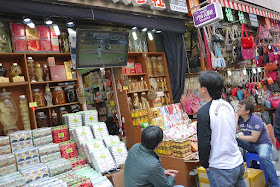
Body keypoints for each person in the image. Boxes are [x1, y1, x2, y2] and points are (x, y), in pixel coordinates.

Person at [197, 71, 245, 187]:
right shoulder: (227, 104)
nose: (197, 87)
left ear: (204, 89)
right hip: (237, 161)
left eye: (199, 84)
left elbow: (204, 142)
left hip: (221, 167)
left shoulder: (204, 112)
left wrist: (204, 163)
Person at [236, 99, 280, 187]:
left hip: (262, 144)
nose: (238, 109)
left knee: (263, 156)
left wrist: (237, 136)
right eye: (238, 106)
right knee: (234, 139)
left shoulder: (256, 120)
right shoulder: (240, 119)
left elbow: (254, 138)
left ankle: (275, 184)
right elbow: (233, 131)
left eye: (241, 107)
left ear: (247, 111)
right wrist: (236, 118)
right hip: (251, 145)